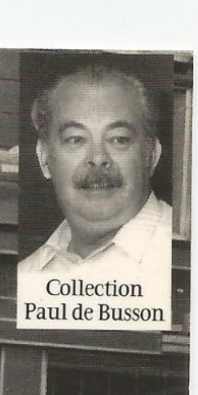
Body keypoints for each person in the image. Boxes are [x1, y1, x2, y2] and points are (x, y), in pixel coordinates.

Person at [18, 66, 171, 304]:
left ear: (151, 155)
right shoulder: (28, 275)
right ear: (44, 158)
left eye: (119, 139)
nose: (98, 158)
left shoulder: (181, 262)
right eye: (76, 139)